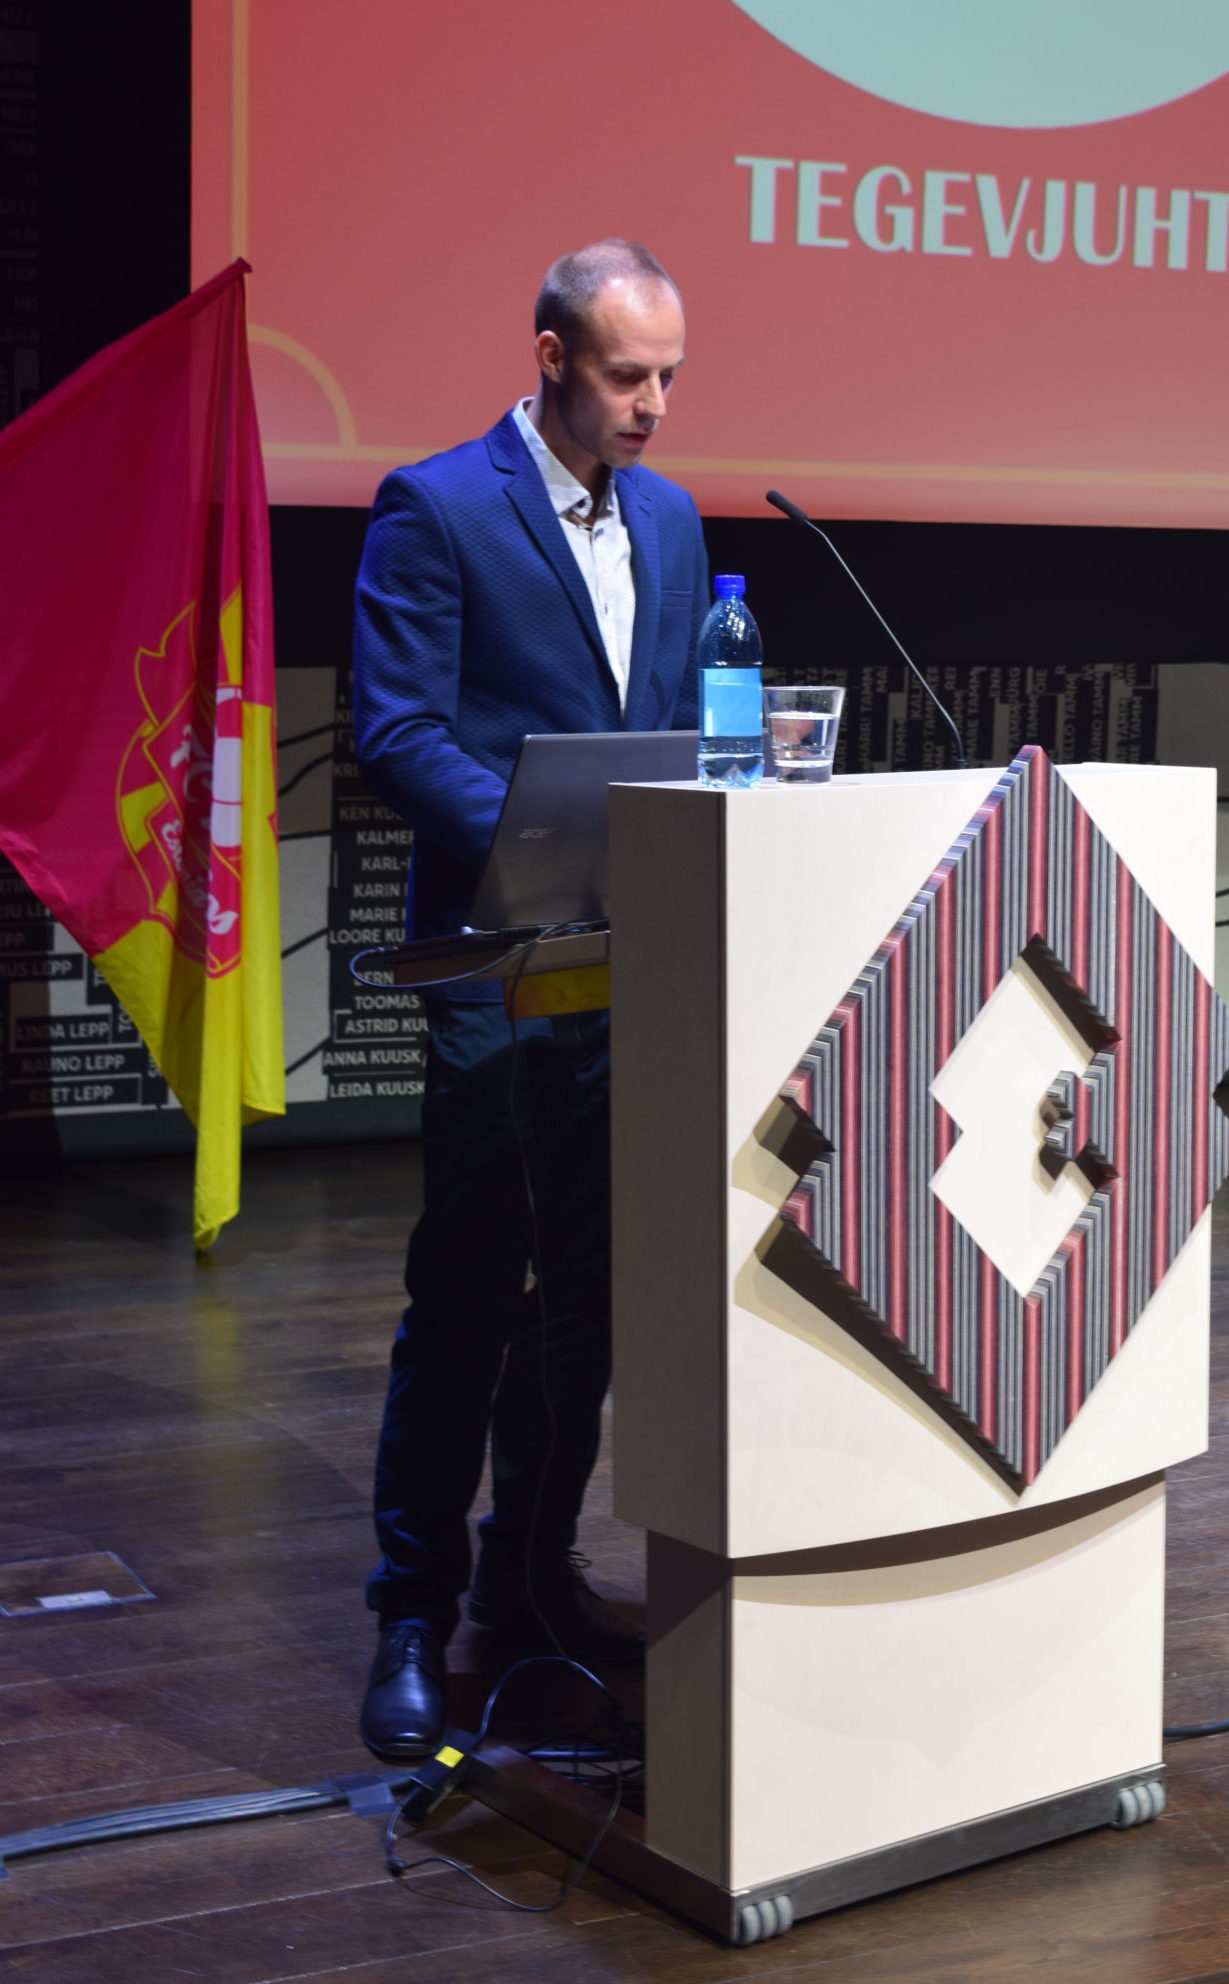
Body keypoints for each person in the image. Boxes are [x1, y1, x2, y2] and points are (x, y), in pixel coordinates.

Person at [351, 240, 710, 1760]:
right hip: (499, 962)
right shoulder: (436, 506)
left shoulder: (673, 519)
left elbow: (675, 725)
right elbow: (396, 732)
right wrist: (541, 846)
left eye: (669, 378)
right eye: (627, 376)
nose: (652, 406)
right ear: (552, 355)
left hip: (636, 964)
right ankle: (411, 1611)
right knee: (469, 1289)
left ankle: (530, 1566)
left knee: (593, 1291)